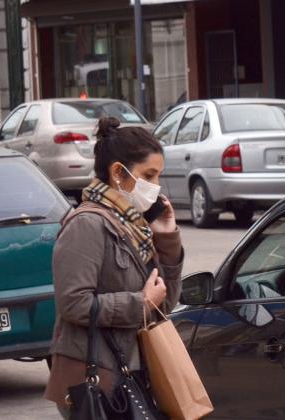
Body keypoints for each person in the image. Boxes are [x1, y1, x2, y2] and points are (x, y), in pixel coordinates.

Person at [44, 117, 184, 419]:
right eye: (148, 174)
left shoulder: (136, 227)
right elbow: (73, 303)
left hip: (135, 373)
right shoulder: (86, 224)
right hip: (94, 378)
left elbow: (164, 304)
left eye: (158, 176)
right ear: (118, 173)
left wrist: (167, 238)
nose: (155, 186)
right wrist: (140, 303)